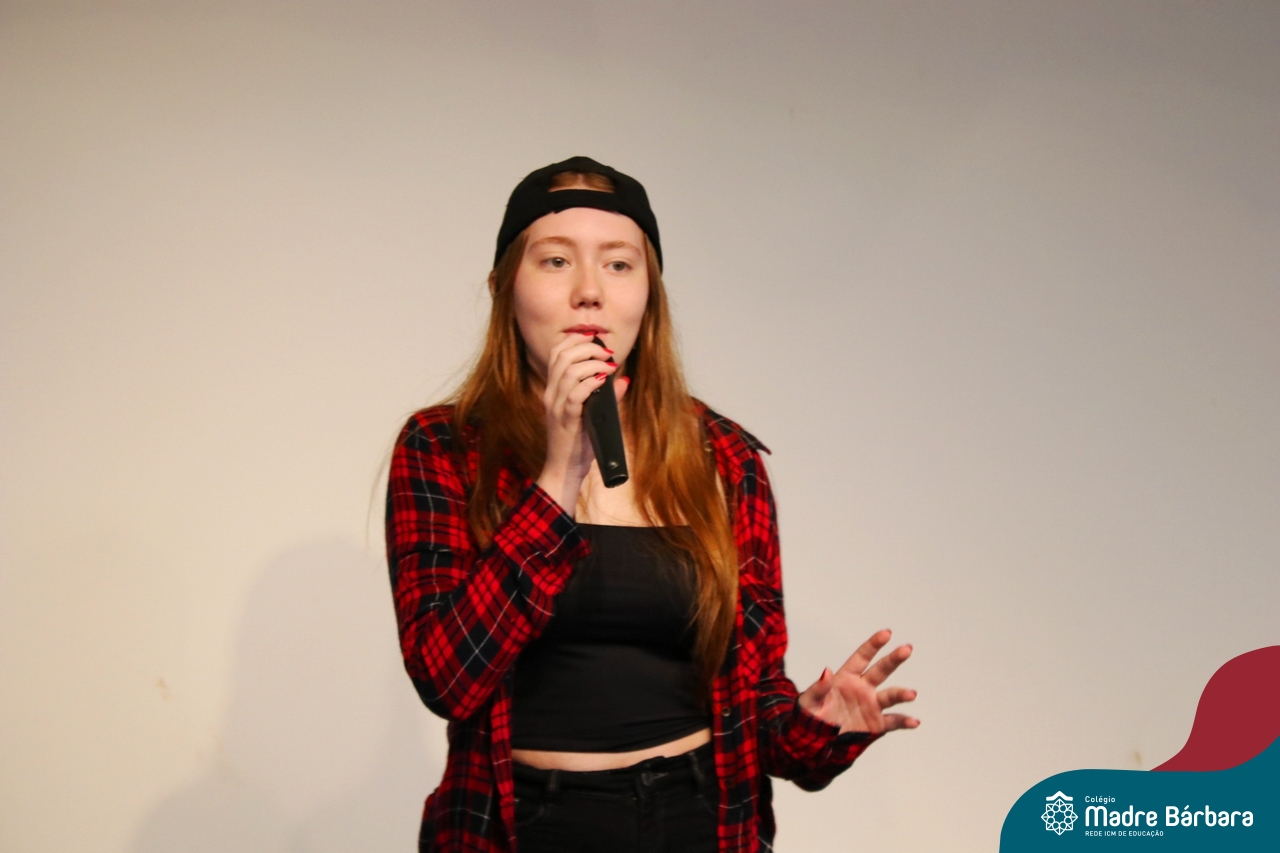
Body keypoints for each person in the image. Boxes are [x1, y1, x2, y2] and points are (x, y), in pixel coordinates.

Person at [385, 156, 919, 853]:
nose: (589, 292)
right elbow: (447, 677)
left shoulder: (721, 455)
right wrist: (557, 478)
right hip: (524, 828)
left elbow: (756, 704)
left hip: (698, 820)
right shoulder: (444, 446)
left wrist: (817, 725)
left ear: (649, 295)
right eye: (555, 261)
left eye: (618, 265)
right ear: (504, 287)